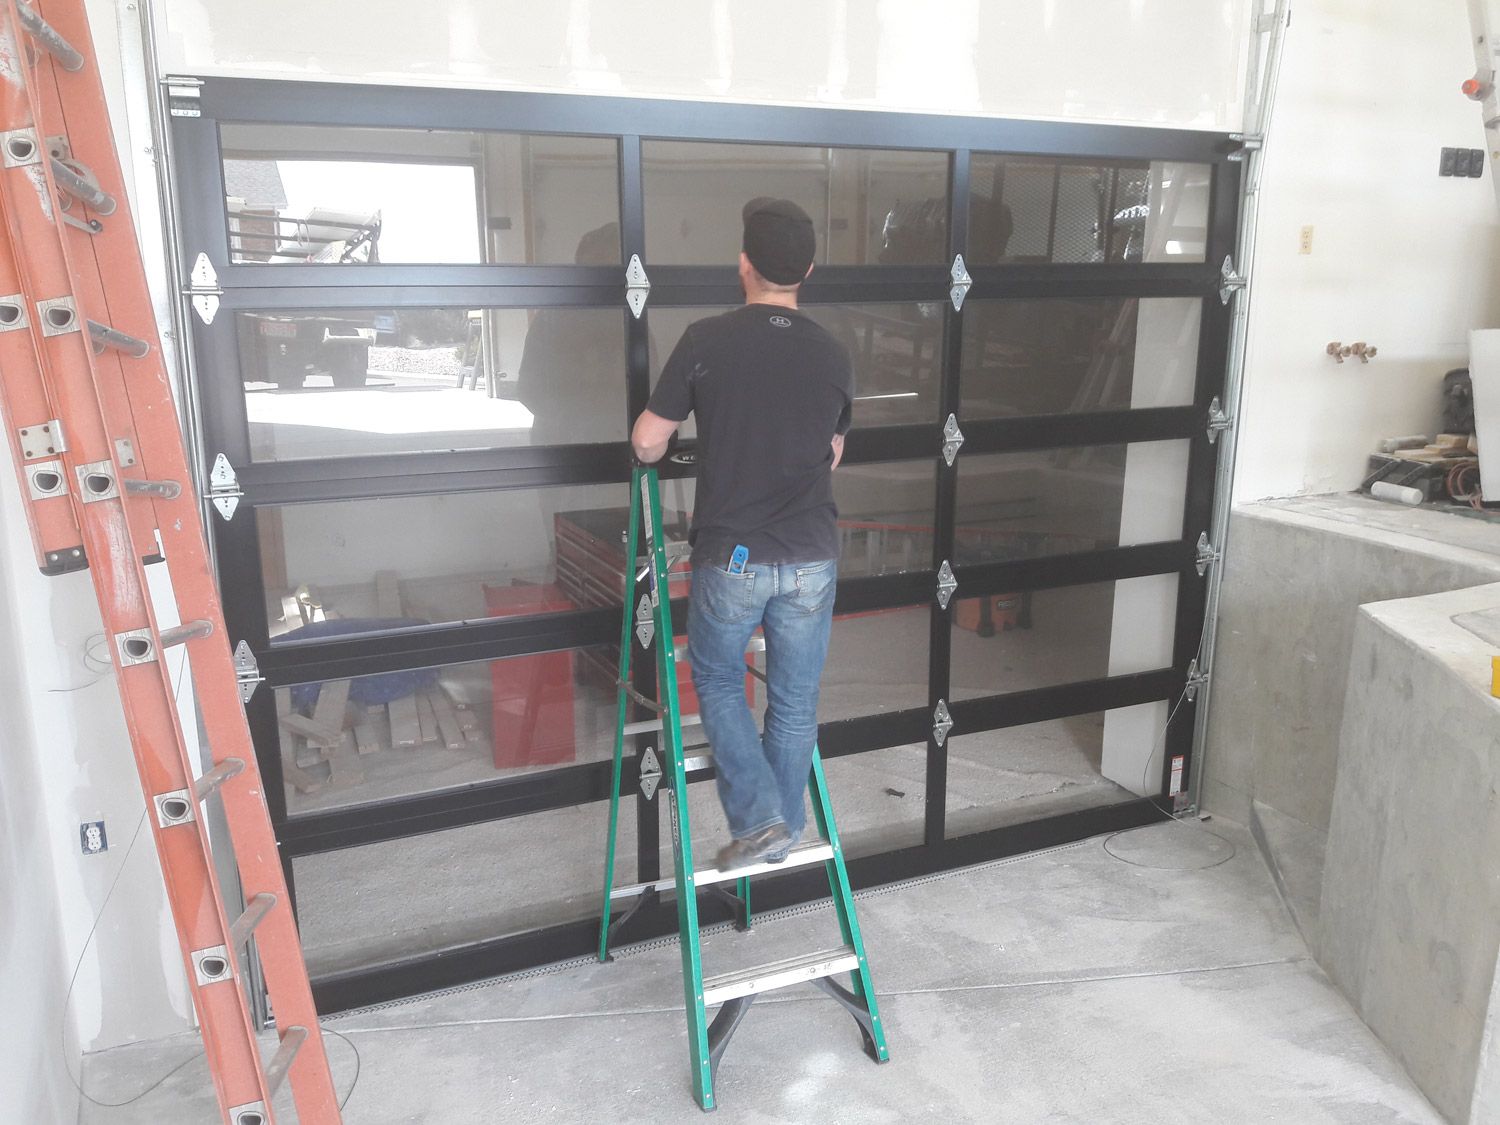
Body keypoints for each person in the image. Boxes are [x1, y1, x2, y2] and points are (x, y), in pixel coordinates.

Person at [631, 198, 853, 869]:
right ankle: (778, 830)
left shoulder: (706, 340)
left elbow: (647, 442)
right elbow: (832, 452)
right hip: (812, 554)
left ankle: (760, 820)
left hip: (734, 554)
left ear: (743, 264)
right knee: (792, 699)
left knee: (721, 679)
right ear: (807, 269)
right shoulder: (833, 353)